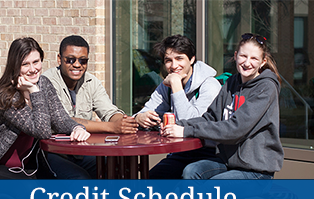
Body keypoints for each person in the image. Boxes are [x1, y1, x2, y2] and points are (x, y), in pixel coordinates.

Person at [0, 37, 90, 179]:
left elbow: (60, 119)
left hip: (28, 165)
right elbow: (42, 131)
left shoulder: (44, 84)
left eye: (36, 62)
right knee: (34, 192)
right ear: (15, 67)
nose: (32, 69)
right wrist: (34, 91)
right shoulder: (7, 96)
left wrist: (77, 128)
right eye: (25, 64)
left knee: (79, 176)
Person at [162, 33, 284, 179]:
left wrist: (186, 130)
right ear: (235, 55)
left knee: (215, 185)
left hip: (255, 170)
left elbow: (236, 129)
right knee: (191, 170)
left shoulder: (266, 87)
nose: (247, 63)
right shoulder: (232, 82)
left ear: (263, 62)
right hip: (227, 161)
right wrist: (176, 125)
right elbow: (210, 117)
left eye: (254, 58)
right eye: (243, 56)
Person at [42, 35, 138, 179]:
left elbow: (109, 111)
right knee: (80, 179)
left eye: (83, 60)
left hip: (82, 153)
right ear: (59, 59)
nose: (77, 64)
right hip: (53, 153)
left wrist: (122, 122)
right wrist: (113, 127)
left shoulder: (91, 81)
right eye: (70, 59)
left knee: (119, 168)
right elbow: (63, 120)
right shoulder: (47, 81)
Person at [134, 34, 222, 179]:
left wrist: (176, 85)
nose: (174, 66)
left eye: (179, 58)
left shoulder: (210, 86)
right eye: (168, 61)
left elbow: (192, 125)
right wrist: (140, 117)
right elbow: (143, 112)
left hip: (211, 153)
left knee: (190, 173)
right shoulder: (167, 85)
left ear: (192, 59)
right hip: (181, 152)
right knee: (152, 179)